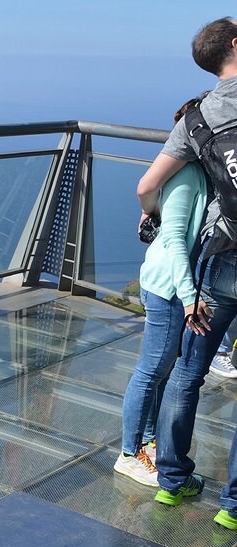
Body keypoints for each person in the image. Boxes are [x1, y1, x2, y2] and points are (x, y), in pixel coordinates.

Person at [135, 19, 237, 516]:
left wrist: (152, 210)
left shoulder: (198, 117)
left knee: (188, 372)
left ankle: (172, 479)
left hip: (221, 260)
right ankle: (234, 505)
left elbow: (145, 186)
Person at [114, 97, 210, 488]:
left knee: (161, 370)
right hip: (169, 287)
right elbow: (173, 239)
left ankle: (148, 443)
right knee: (151, 370)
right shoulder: (187, 175)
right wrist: (188, 296)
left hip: (168, 283)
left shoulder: (196, 170)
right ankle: (129, 453)